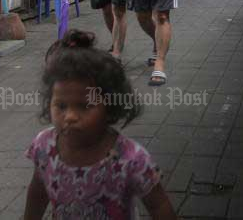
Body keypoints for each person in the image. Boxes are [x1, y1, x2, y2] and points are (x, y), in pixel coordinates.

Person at [24, 30, 176, 219]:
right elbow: (38, 192)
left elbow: (159, 205)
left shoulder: (130, 158)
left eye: (85, 106)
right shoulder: (44, 146)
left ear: (110, 105)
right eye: (61, 106)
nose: (70, 116)